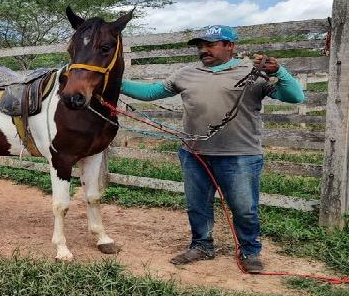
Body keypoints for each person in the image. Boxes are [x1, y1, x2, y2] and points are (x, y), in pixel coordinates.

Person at [120, 25, 305, 273]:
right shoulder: (186, 73)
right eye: (200, 46)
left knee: (244, 208)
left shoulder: (254, 71)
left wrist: (280, 72)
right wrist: (114, 81)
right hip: (194, 153)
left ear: (230, 46)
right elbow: (152, 92)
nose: (203, 50)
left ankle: (250, 251)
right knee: (197, 205)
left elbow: (295, 97)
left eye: (210, 44)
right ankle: (202, 246)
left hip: (240, 154)